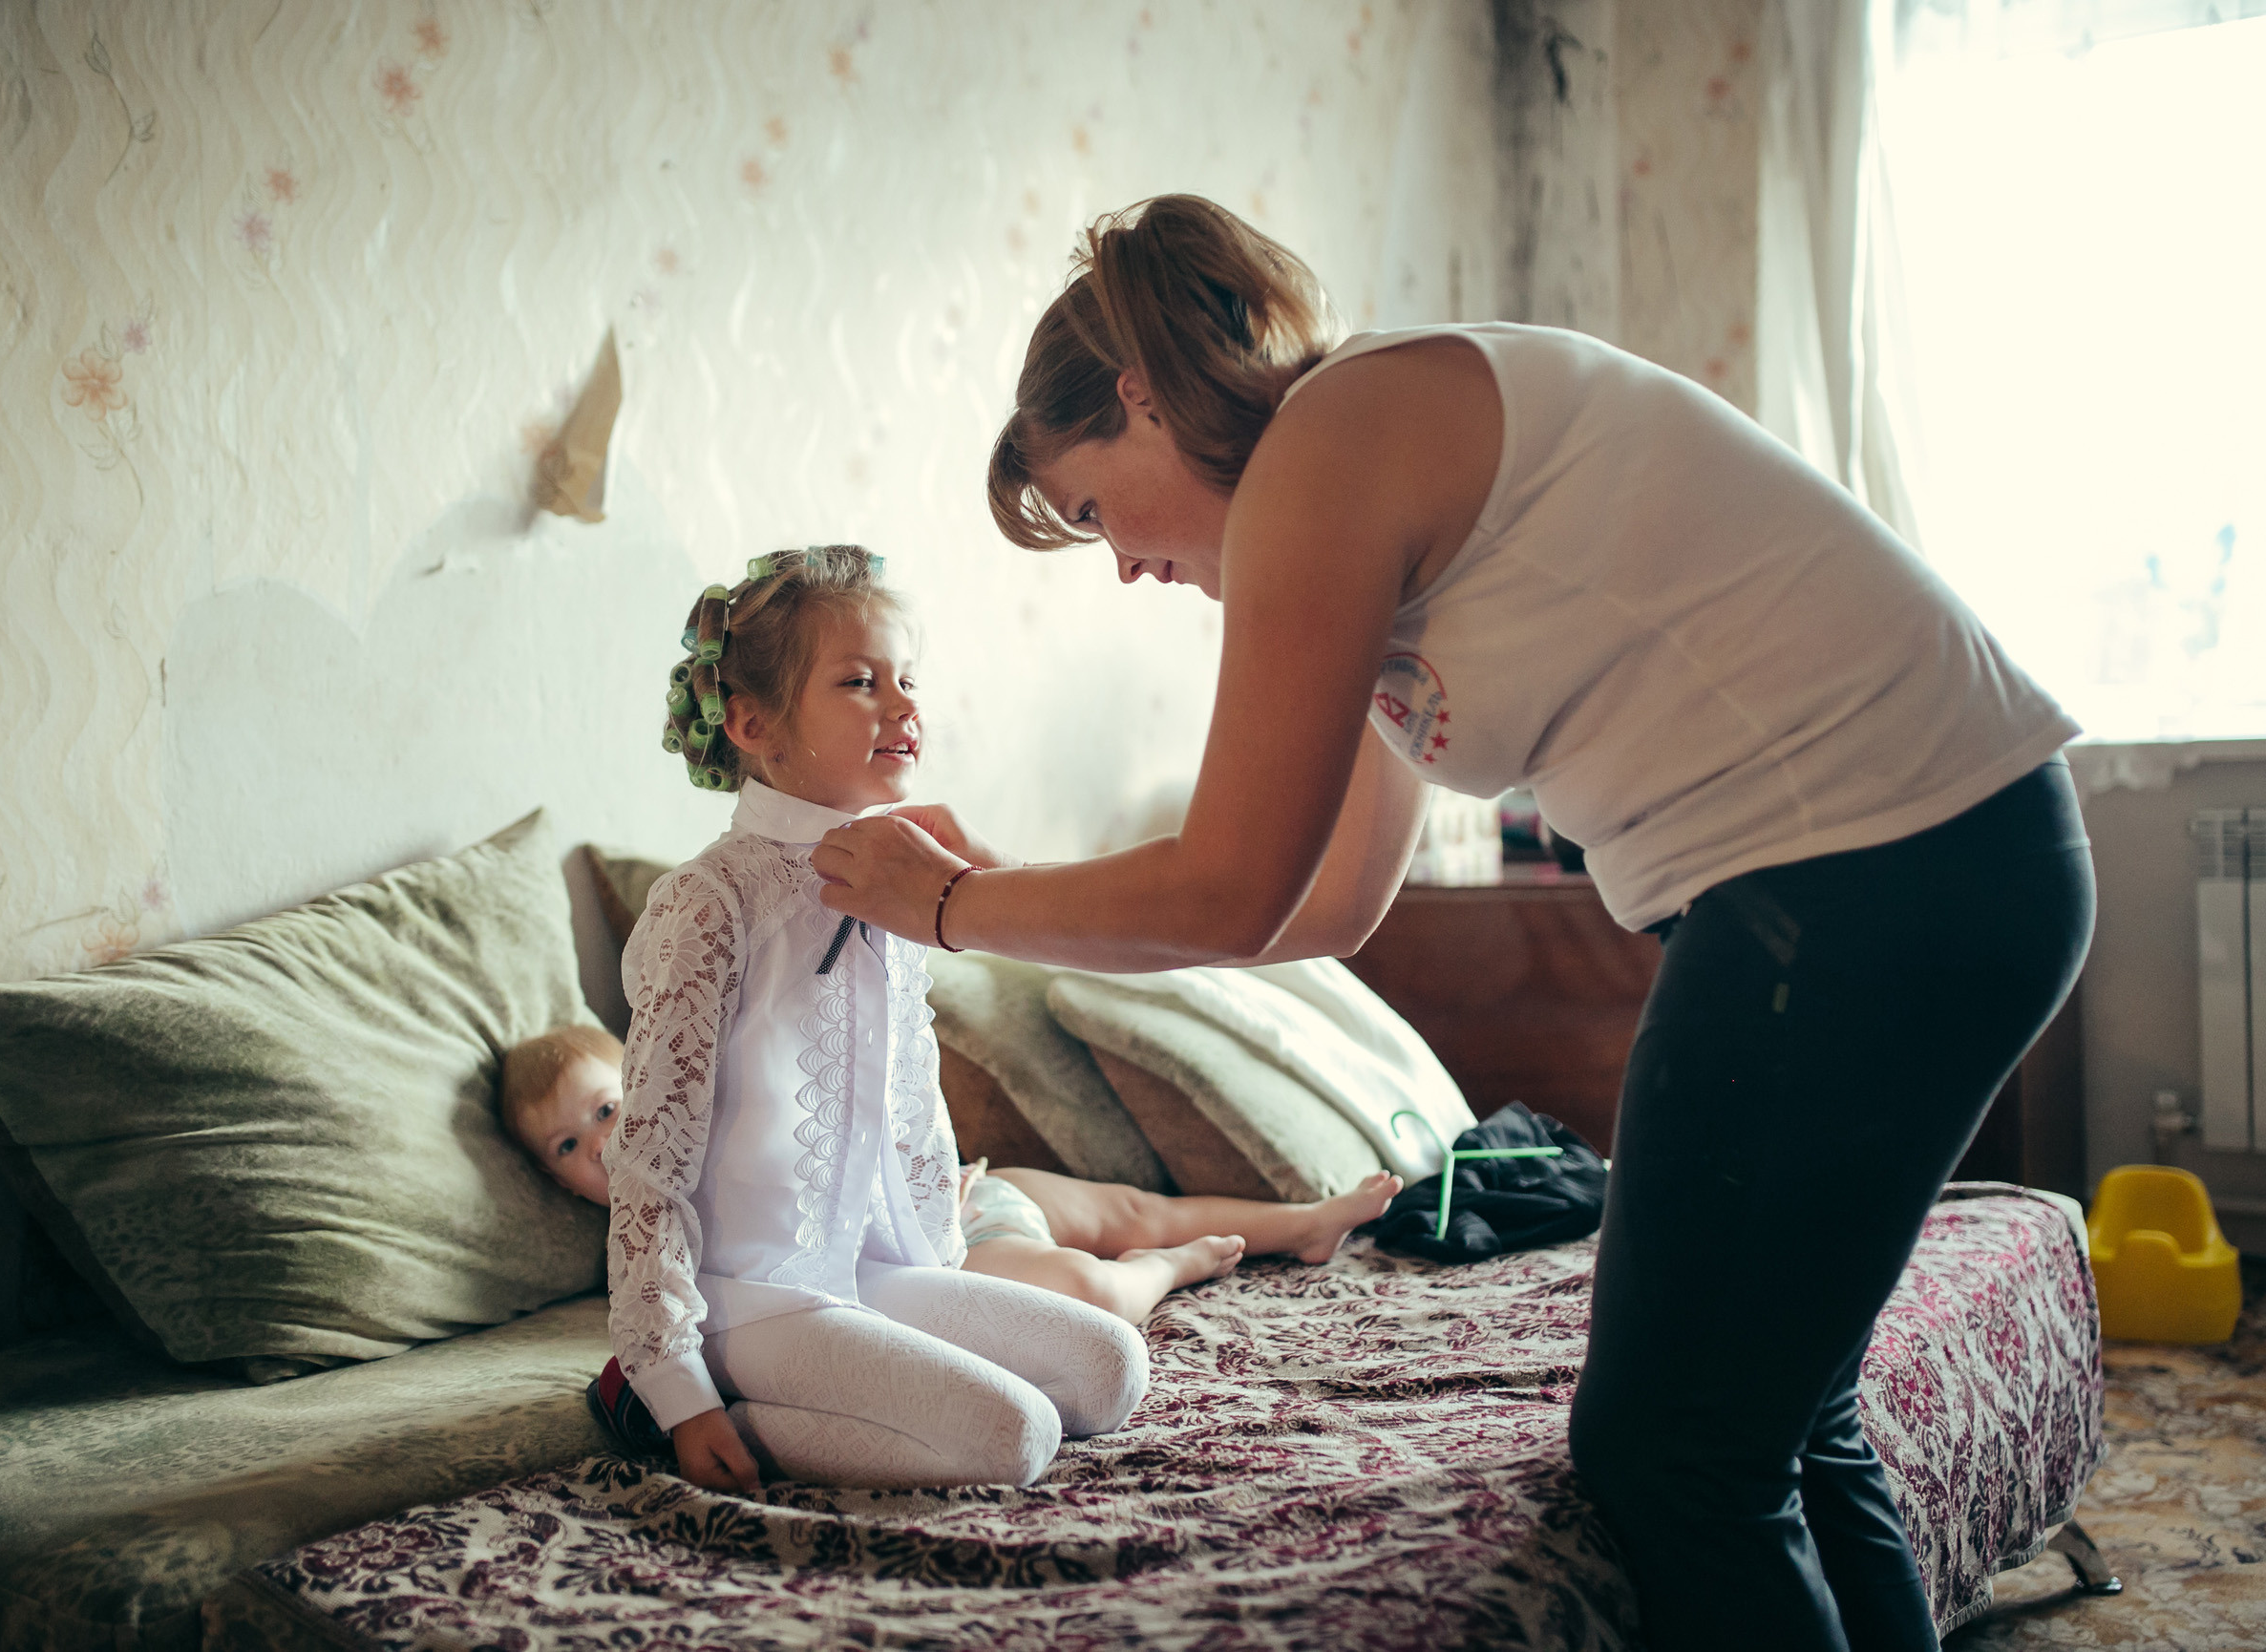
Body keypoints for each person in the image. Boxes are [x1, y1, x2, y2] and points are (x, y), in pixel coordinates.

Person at [805, 196, 2094, 1650]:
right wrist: (1001, 892)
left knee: (1673, 1453)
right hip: (1962, 850)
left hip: (1859, 874)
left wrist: (958, 909)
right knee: (1786, 1420)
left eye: (1096, 510)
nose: (1123, 567)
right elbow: (1329, 903)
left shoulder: (1331, 444)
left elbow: (1231, 883)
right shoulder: (1373, 493)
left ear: (1140, 395)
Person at [599, 544, 1149, 1497]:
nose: (902, 705)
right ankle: (651, 1402)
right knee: (1011, 1435)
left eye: (907, 678)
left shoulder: (898, 875)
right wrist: (677, 1377)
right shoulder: (709, 901)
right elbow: (649, 1162)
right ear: (752, 720)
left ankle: (865, 1387)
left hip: (869, 1270)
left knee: (1110, 1368)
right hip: (753, 1297)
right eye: (859, 681)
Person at [500, 1024, 1403, 1326]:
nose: (602, 1148)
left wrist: (935, 1180)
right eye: (567, 1149)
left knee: (1128, 1205)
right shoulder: (656, 1236)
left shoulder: (727, 1127)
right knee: (1092, 1288)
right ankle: (1176, 1270)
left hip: (958, 1197)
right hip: (945, 1257)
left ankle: (1303, 1221)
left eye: (608, 1111)